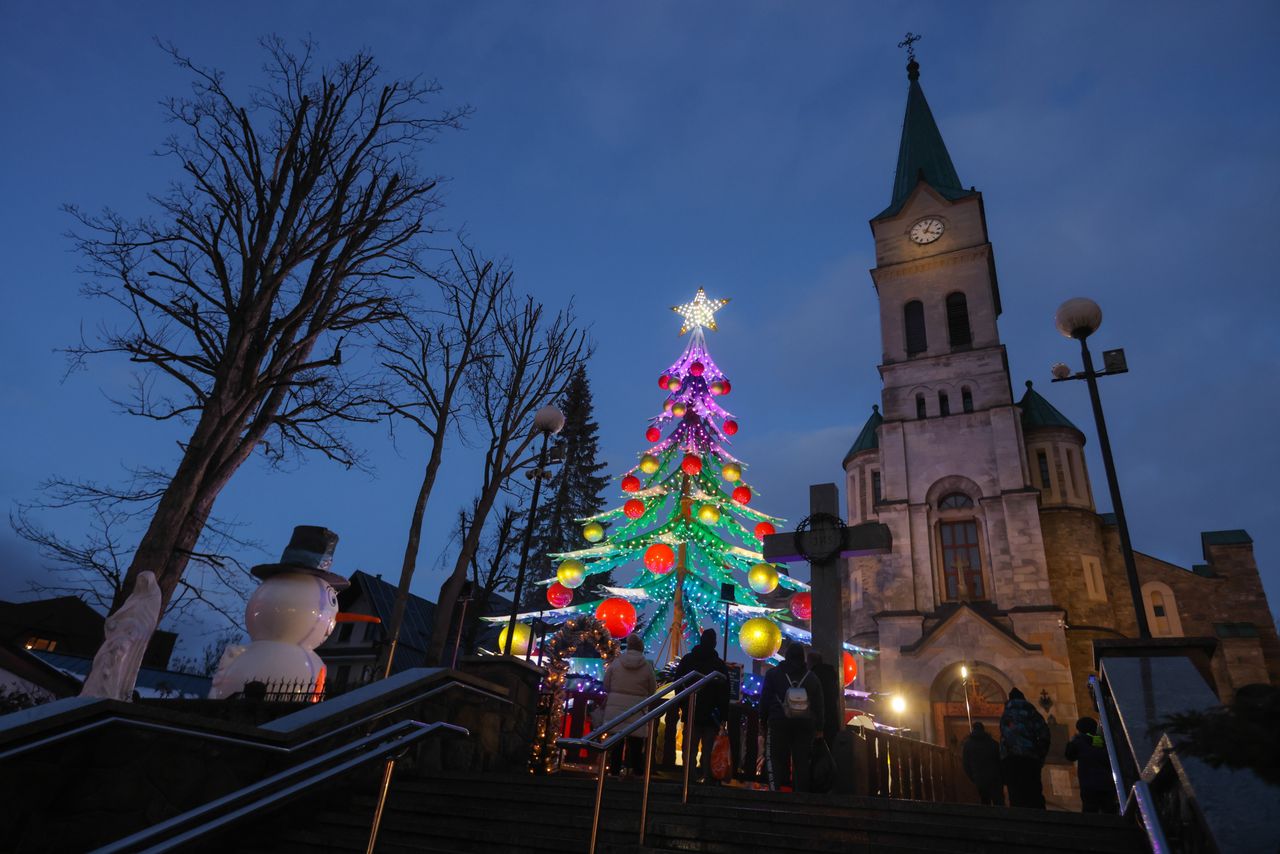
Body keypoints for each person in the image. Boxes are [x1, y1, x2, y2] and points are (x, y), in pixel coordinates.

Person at [761, 642, 824, 792]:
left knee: (774, 757)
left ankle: (774, 790)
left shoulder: (773, 674)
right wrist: (819, 727)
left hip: (778, 721)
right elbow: (819, 704)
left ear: (786, 655)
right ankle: (801, 794)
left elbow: (765, 700)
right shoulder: (812, 677)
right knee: (801, 760)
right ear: (803, 657)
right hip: (804, 723)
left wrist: (763, 721)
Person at [674, 628, 730, 783]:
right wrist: (723, 715)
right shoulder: (718, 665)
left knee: (689, 748)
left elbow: (678, 683)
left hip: (691, 710)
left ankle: (688, 776)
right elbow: (725, 692)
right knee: (708, 749)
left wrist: (683, 705)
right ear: (714, 643)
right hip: (711, 714)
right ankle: (707, 776)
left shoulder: (688, 660)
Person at [602, 633, 658, 776]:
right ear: (640, 648)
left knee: (616, 743)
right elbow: (652, 689)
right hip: (637, 709)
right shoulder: (646, 666)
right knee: (635, 743)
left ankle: (614, 771)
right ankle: (635, 771)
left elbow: (606, 684)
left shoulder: (616, 663)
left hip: (616, 709)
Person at [999, 687, 1051, 808]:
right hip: (1030, 758)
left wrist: (1003, 760)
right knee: (1034, 793)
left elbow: (1004, 738)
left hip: (1011, 759)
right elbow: (1044, 735)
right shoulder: (1032, 713)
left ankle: (1020, 823)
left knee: (1016, 795)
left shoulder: (1005, 716)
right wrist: (1040, 755)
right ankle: (1040, 823)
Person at [1065, 716, 1119, 814]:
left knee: (1090, 810)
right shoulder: (1103, 743)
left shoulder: (1079, 742)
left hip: (1088, 784)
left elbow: (1069, 755)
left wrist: (1072, 741)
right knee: (1109, 811)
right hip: (1107, 783)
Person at [961, 721, 1004, 806]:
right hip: (995, 777)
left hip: (979, 778)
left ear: (973, 730)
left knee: (985, 803)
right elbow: (1000, 761)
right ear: (983, 729)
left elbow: (966, 764)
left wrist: (973, 777)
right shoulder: (993, 743)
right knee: (999, 803)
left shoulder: (968, 745)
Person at [806, 650, 842, 743]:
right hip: (832, 719)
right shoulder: (831, 674)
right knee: (830, 748)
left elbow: (814, 701)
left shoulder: (812, 676)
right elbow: (836, 695)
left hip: (818, 722)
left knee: (817, 751)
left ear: (811, 662)